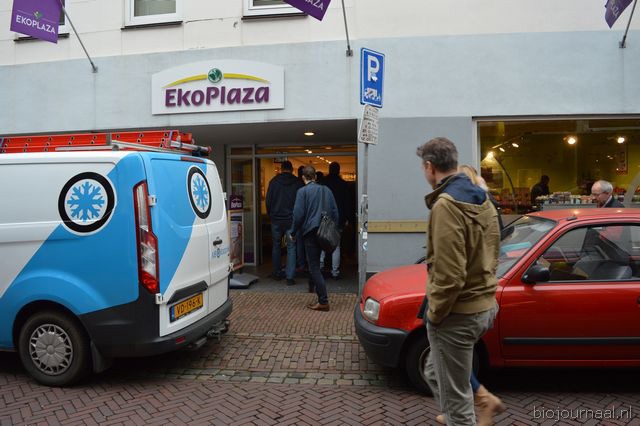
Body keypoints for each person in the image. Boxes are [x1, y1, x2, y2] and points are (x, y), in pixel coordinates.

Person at [416, 137, 501, 425]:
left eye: (423, 167)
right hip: (484, 304)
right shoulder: (483, 197)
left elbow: (449, 275)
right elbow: (494, 248)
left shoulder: (446, 205)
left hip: (458, 313)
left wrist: (435, 314)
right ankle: (476, 404)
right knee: (433, 371)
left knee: (458, 406)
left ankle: (458, 416)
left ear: (430, 166)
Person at [290, 166, 338, 311]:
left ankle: (323, 301)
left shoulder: (302, 192)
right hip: (324, 232)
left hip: (310, 232)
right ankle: (312, 287)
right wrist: (332, 228)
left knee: (314, 266)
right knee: (315, 264)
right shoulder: (326, 190)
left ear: (303, 177)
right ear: (315, 177)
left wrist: (293, 232)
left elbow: (298, 214)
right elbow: (335, 212)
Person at [265, 161, 302, 285]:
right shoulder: (297, 183)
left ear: (281, 169)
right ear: (292, 170)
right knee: (291, 247)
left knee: (276, 246)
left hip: (276, 220)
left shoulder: (273, 182)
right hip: (291, 220)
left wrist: (271, 214)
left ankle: (276, 273)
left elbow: (268, 201)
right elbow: (300, 203)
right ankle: (289, 277)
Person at [319, 162, 351, 280]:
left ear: (329, 169)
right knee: (336, 246)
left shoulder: (322, 184)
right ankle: (335, 272)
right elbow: (347, 203)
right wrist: (347, 218)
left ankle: (320, 268)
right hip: (338, 219)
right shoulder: (343, 184)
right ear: (338, 170)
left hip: (323, 218)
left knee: (322, 244)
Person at [296, 165, 308, 273]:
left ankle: (301, 264)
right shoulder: (321, 189)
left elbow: (297, 209)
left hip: (299, 220)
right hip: (308, 220)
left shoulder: (298, 187)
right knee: (309, 244)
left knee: (299, 244)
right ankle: (309, 263)